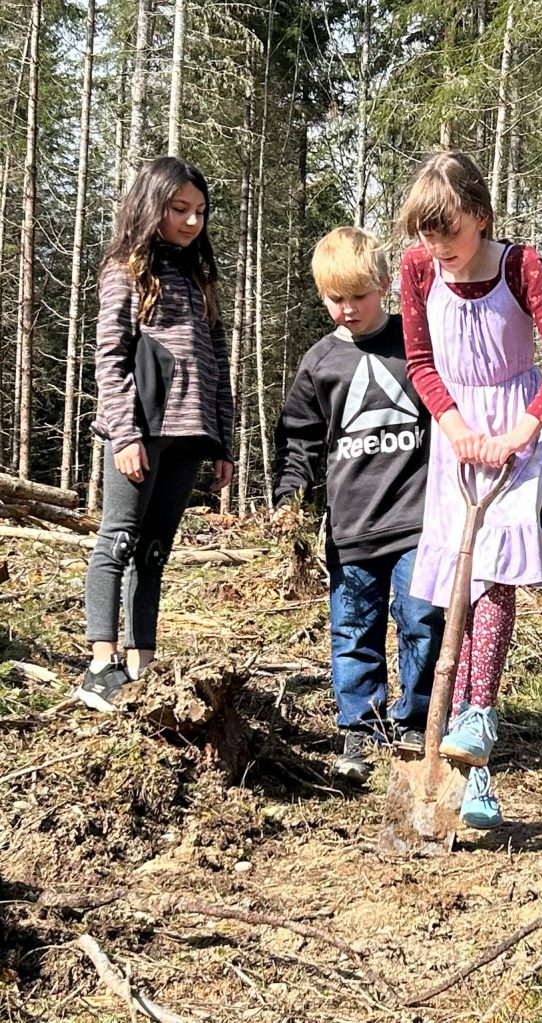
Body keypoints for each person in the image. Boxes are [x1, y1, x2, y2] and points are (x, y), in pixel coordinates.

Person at [399, 151, 542, 828]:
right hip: (453, 431)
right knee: (456, 581)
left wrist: (525, 429)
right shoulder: (418, 267)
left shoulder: (519, 265)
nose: (435, 247)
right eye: (425, 233)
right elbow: (419, 359)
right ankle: (465, 777)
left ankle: (479, 718)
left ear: (479, 216)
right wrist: (451, 425)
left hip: (514, 432)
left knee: (495, 574)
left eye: (447, 231)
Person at [273, 226, 444, 785]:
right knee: (353, 629)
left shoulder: (416, 344)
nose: (347, 310)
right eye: (335, 299)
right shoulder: (320, 362)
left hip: (419, 518)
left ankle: (417, 720)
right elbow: (298, 439)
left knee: (422, 618)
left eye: (359, 296)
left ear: (383, 286)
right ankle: (360, 729)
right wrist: (289, 497)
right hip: (351, 527)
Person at [76, 157, 234, 713]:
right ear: (152, 206)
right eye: (178, 209)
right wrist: (124, 434)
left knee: (155, 551)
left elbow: (217, 362)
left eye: (199, 212)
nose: (191, 222)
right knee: (117, 539)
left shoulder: (199, 276)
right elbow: (110, 357)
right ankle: (101, 663)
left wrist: (223, 443)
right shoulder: (125, 268)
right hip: (141, 430)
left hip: (192, 435)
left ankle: (143, 662)